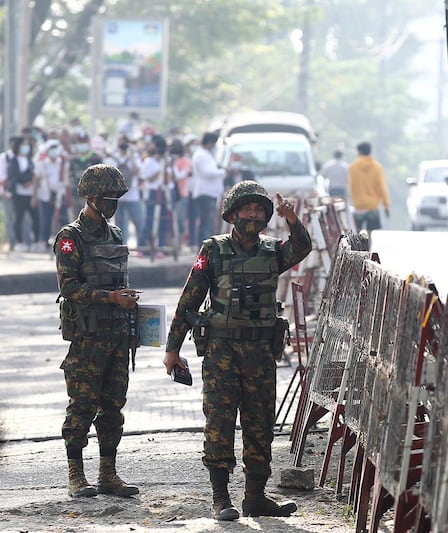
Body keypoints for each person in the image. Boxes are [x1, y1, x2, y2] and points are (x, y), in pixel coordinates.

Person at [162, 180, 311, 521]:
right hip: (222, 352)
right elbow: (189, 301)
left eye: (260, 210)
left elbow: (302, 246)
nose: (254, 215)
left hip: (260, 352)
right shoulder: (213, 251)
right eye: (248, 209)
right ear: (232, 214)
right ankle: (220, 498)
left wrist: (291, 218)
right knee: (220, 422)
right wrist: (172, 349)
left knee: (260, 425)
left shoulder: (273, 252)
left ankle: (255, 497)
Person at [53, 163, 140, 499]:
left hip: (118, 336)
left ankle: (108, 474)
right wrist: (109, 298)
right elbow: (70, 286)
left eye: (117, 197)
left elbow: (121, 280)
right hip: (88, 337)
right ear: (91, 197)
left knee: (113, 407)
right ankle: (76, 475)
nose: (113, 203)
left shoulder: (116, 235)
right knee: (82, 406)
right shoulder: (70, 237)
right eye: (108, 197)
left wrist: (128, 299)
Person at [191, 132, 227, 246]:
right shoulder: (200, 155)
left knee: (209, 222)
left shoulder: (206, 154)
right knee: (206, 222)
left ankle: (207, 246)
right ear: (210, 143)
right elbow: (207, 173)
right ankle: (204, 246)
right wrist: (223, 172)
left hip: (211, 192)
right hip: (205, 192)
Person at [348, 141, 390, 235]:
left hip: (358, 205)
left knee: (357, 233)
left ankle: (359, 249)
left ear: (359, 152)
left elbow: (351, 186)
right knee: (369, 233)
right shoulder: (377, 167)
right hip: (372, 205)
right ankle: (368, 248)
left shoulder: (353, 167)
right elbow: (382, 187)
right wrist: (386, 205)